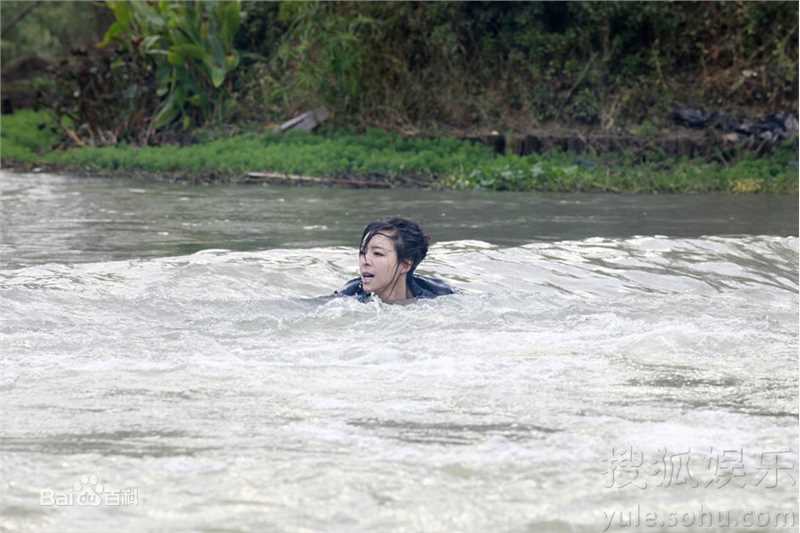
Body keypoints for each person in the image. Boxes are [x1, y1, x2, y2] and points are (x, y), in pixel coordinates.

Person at [335, 217, 454, 303]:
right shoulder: (348, 296)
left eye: (377, 253)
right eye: (362, 252)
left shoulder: (441, 296)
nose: (365, 261)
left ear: (405, 265)